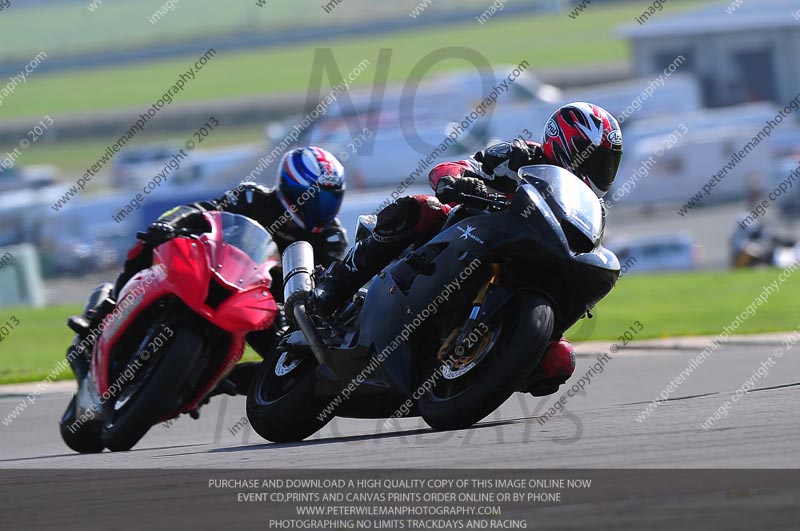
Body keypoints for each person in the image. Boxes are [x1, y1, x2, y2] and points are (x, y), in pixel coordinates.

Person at [311, 102, 623, 396]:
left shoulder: (592, 208)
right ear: (566, 145)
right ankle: (332, 290)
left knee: (559, 359)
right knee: (420, 208)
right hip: (468, 233)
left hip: (526, 265)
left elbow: (583, 249)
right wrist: (460, 180)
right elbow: (457, 166)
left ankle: (490, 366)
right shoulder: (518, 155)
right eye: (596, 158)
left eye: (609, 161)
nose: (602, 169)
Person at [68, 146, 348, 393]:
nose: (320, 209)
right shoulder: (251, 198)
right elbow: (204, 212)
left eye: (329, 200)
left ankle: (223, 380)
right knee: (150, 242)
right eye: (313, 199)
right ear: (289, 188)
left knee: (289, 358)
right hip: (218, 272)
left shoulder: (332, 238)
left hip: (268, 306)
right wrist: (171, 225)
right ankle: (104, 313)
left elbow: (327, 284)